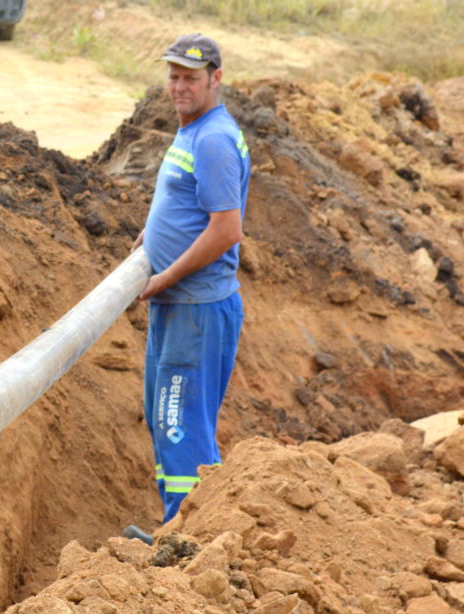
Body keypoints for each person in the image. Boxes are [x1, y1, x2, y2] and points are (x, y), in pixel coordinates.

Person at [129, 34, 251, 531]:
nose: (179, 87)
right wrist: (150, 236)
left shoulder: (215, 140)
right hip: (177, 305)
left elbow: (226, 228)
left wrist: (165, 275)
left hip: (194, 309)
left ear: (215, 79)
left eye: (191, 79)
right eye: (174, 77)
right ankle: (175, 530)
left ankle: (190, 543)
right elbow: (186, 207)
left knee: (181, 426)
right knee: (163, 416)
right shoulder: (193, 129)